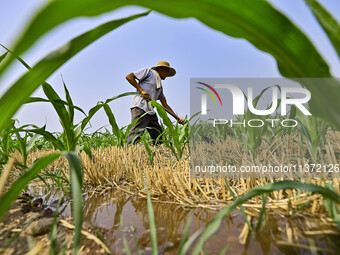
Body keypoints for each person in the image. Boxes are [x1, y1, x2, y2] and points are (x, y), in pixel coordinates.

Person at [126, 61, 184, 145]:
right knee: (137, 131)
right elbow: (129, 77)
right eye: (167, 72)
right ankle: (129, 150)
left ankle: (159, 152)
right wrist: (141, 90)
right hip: (140, 107)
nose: (167, 75)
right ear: (162, 69)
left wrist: (177, 118)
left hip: (150, 111)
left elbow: (165, 105)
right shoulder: (148, 72)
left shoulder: (159, 86)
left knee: (157, 132)